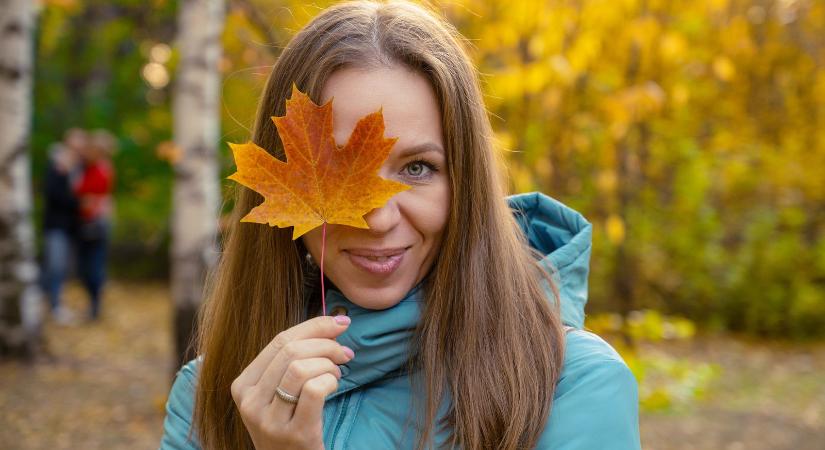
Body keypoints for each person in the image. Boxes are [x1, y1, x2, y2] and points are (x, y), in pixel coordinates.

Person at [160, 1, 640, 449]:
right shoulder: (206, 395)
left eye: (417, 169)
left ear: (465, 184)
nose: (379, 218)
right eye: (336, 171)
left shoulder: (571, 384)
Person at [41, 128, 85, 324]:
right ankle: (52, 305)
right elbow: (53, 194)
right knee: (55, 266)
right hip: (56, 226)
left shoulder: (80, 168)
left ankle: (53, 303)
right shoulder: (57, 165)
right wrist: (78, 202)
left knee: (62, 267)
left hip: (70, 228)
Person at [72, 129, 116, 321]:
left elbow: (89, 196)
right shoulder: (87, 168)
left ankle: (95, 306)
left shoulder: (101, 170)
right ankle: (94, 304)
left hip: (96, 224)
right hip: (87, 223)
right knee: (85, 267)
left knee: (93, 266)